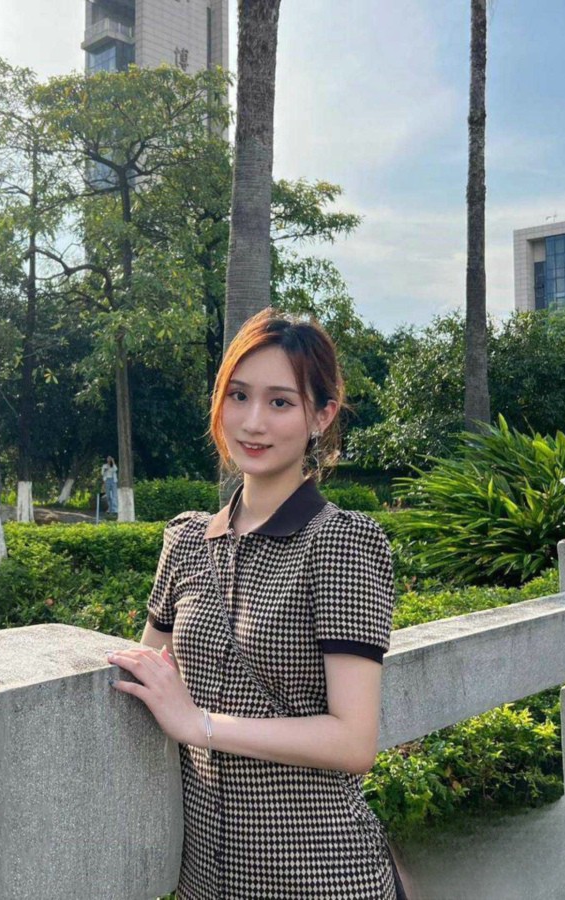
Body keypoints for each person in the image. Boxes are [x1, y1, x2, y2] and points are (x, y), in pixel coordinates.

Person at [105, 309, 407, 898]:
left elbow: (354, 742)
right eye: (238, 395)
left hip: (321, 877)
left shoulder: (340, 543)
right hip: (205, 879)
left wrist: (199, 724)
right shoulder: (186, 540)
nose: (252, 421)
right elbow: (148, 674)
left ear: (321, 416)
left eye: (280, 402)